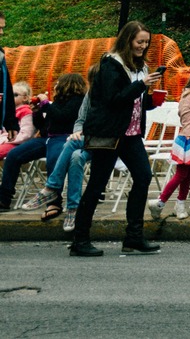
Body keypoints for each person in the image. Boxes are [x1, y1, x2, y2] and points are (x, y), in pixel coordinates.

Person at [69, 21, 161, 257]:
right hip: (109, 133)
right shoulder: (111, 64)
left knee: (143, 177)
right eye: (139, 41)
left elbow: (135, 102)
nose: (143, 46)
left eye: (146, 42)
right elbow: (114, 99)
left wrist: (153, 100)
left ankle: (133, 237)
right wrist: (141, 85)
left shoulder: (142, 66)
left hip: (130, 134)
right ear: (127, 39)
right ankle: (80, 240)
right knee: (97, 184)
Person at [0, 71, 84, 212]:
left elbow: (62, 116)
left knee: (53, 160)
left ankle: (54, 202)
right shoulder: (58, 101)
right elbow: (42, 125)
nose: (56, 85)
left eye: (58, 83)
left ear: (68, 85)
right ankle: (4, 198)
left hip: (63, 137)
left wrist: (45, 103)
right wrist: (37, 112)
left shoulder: (78, 101)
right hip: (46, 138)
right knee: (14, 156)